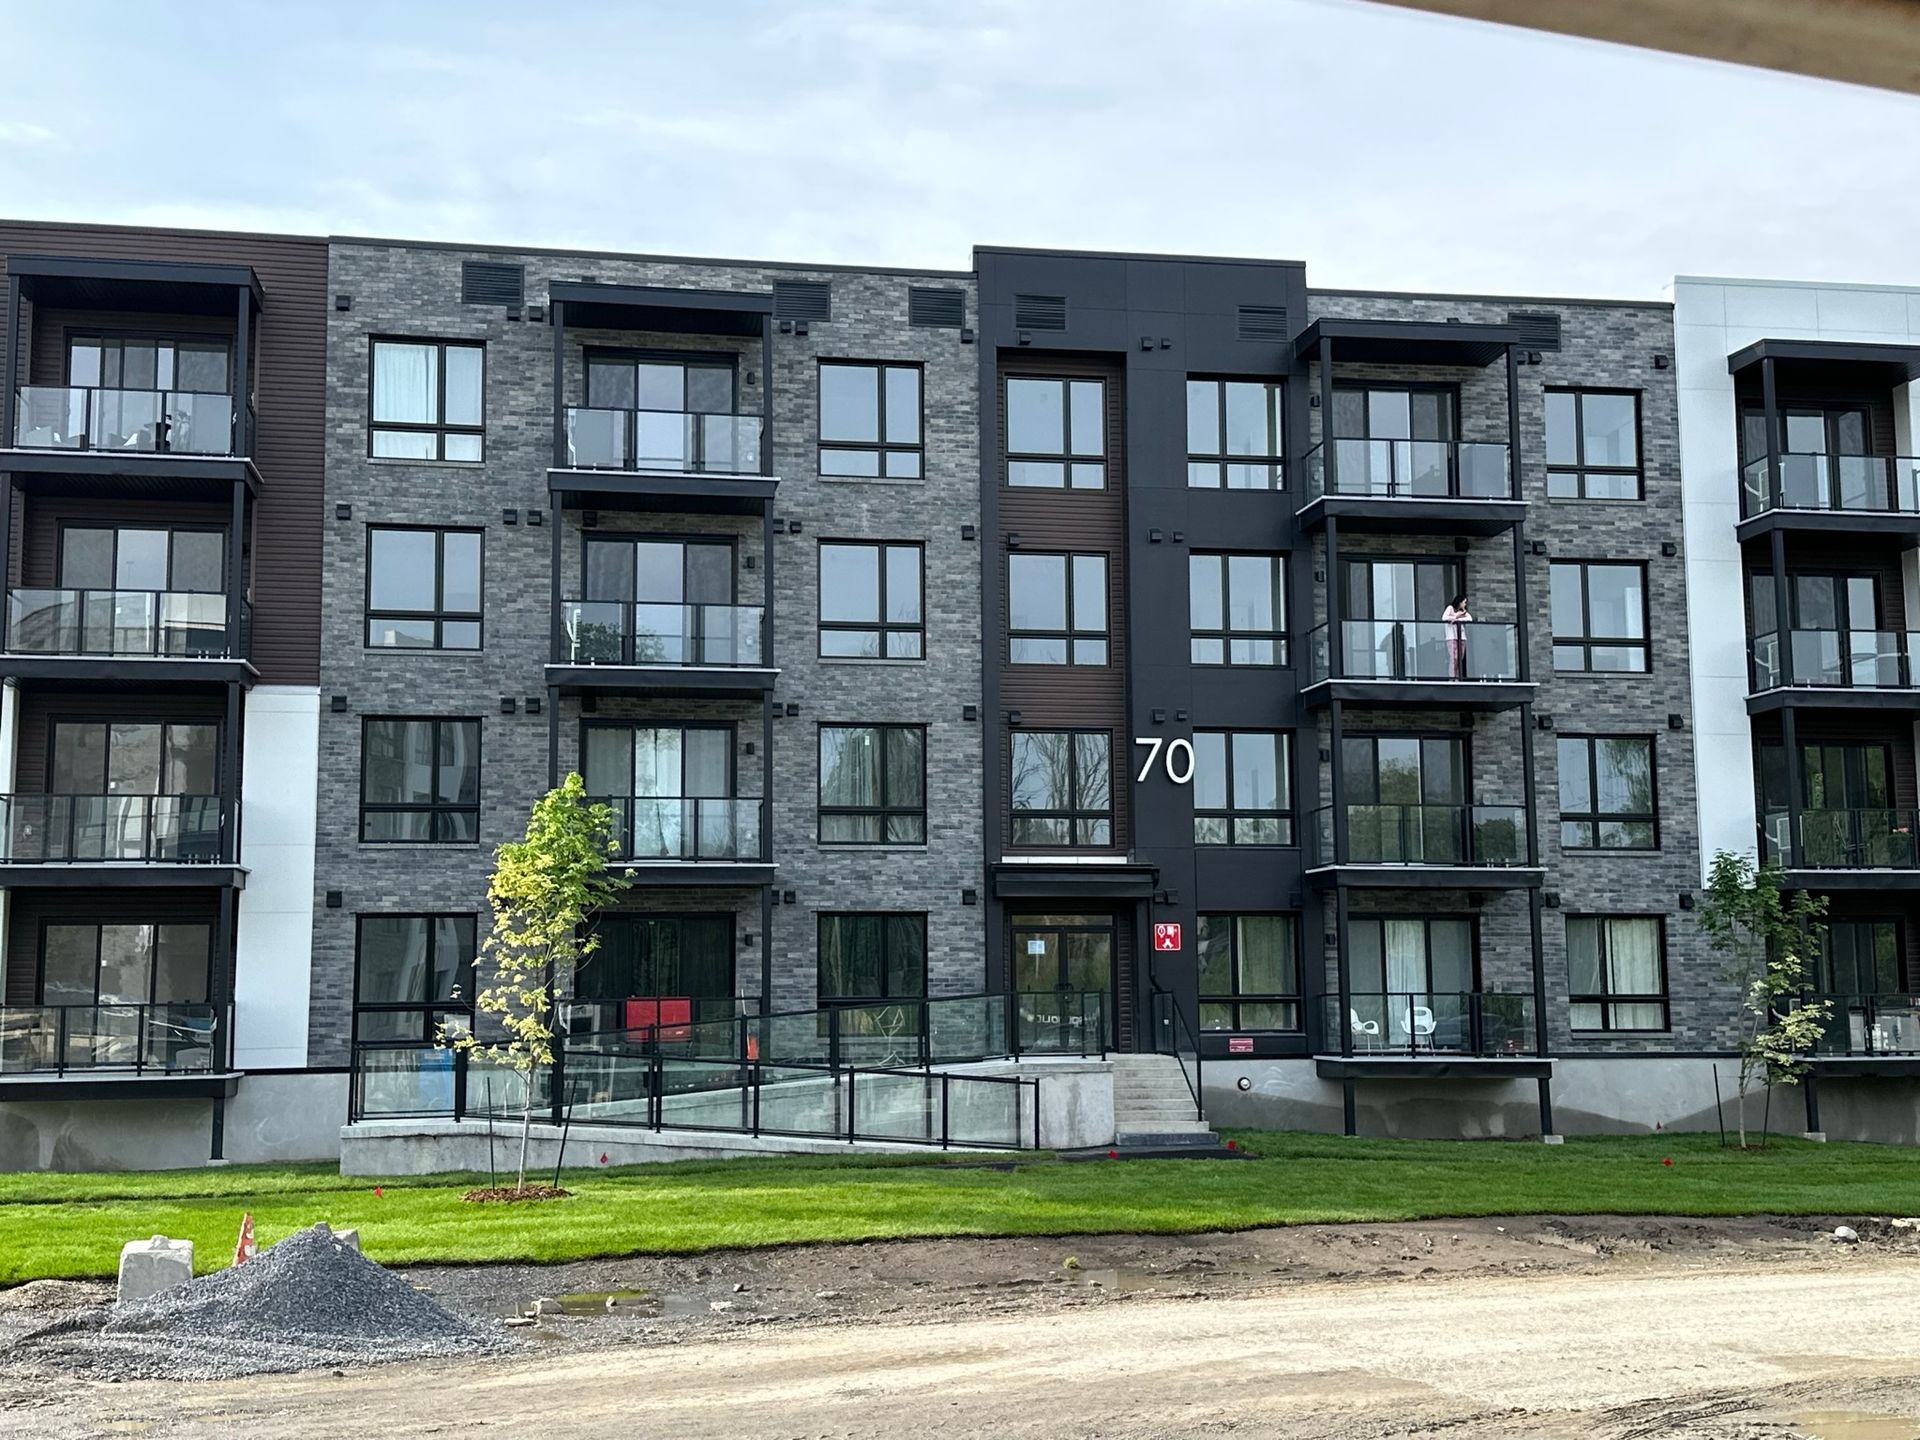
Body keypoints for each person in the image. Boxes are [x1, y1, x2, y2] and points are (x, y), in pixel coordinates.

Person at [1442, 591, 1472, 679]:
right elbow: (1444, 618)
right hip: (1451, 637)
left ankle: (1458, 676)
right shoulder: (1450, 608)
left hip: (1462, 637)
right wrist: (1456, 616)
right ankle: (1452, 677)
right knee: (1453, 657)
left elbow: (1469, 619)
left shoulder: (1463, 612)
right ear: (1459, 602)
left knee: (1459, 658)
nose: (1465, 604)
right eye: (1464, 602)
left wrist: (1456, 619)